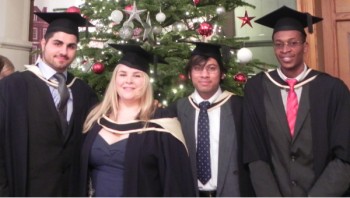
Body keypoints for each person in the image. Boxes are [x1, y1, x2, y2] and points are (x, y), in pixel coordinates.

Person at [243, 5, 350, 197]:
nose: (286, 50)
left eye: (293, 43)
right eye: (279, 44)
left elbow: (345, 155)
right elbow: (254, 152)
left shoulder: (333, 89)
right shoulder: (256, 88)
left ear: (305, 46)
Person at [0, 12, 98, 196]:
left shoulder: (83, 92)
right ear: (43, 44)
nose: (63, 52)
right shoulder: (12, 87)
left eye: (71, 46)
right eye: (57, 43)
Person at [79, 44, 196, 197]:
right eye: (122, 74)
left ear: (146, 81)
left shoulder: (161, 123)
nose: (129, 80)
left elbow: (176, 183)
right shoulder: (97, 118)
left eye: (137, 75)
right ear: (114, 80)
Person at [166, 42, 255, 197]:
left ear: (222, 74)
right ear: (189, 74)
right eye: (198, 68)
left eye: (212, 68)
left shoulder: (240, 108)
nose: (204, 75)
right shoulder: (176, 111)